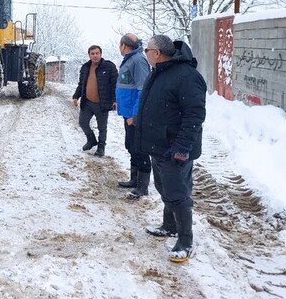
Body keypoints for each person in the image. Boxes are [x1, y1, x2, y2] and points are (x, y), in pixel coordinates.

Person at [134, 35, 206, 263]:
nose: (145, 53)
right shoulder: (160, 72)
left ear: (156, 53)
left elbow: (195, 115)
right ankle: (169, 225)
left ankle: (185, 241)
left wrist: (182, 147)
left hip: (175, 148)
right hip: (159, 145)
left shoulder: (186, 76)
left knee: (177, 193)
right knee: (164, 186)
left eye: (147, 50)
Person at [115, 33, 152, 198]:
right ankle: (134, 180)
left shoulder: (138, 60)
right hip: (127, 112)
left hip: (134, 115)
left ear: (124, 45)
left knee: (140, 149)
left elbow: (142, 90)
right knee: (131, 146)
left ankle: (142, 187)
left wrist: (135, 115)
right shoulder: (131, 59)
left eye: (120, 44)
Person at [72, 45, 118, 157]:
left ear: (101, 54)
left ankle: (101, 147)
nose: (95, 56)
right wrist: (76, 96)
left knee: (102, 127)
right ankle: (91, 140)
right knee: (82, 122)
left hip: (102, 103)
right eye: (92, 54)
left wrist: (115, 100)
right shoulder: (85, 67)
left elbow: (115, 85)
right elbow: (81, 84)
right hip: (87, 102)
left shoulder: (109, 67)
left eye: (97, 53)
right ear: (89, 55)